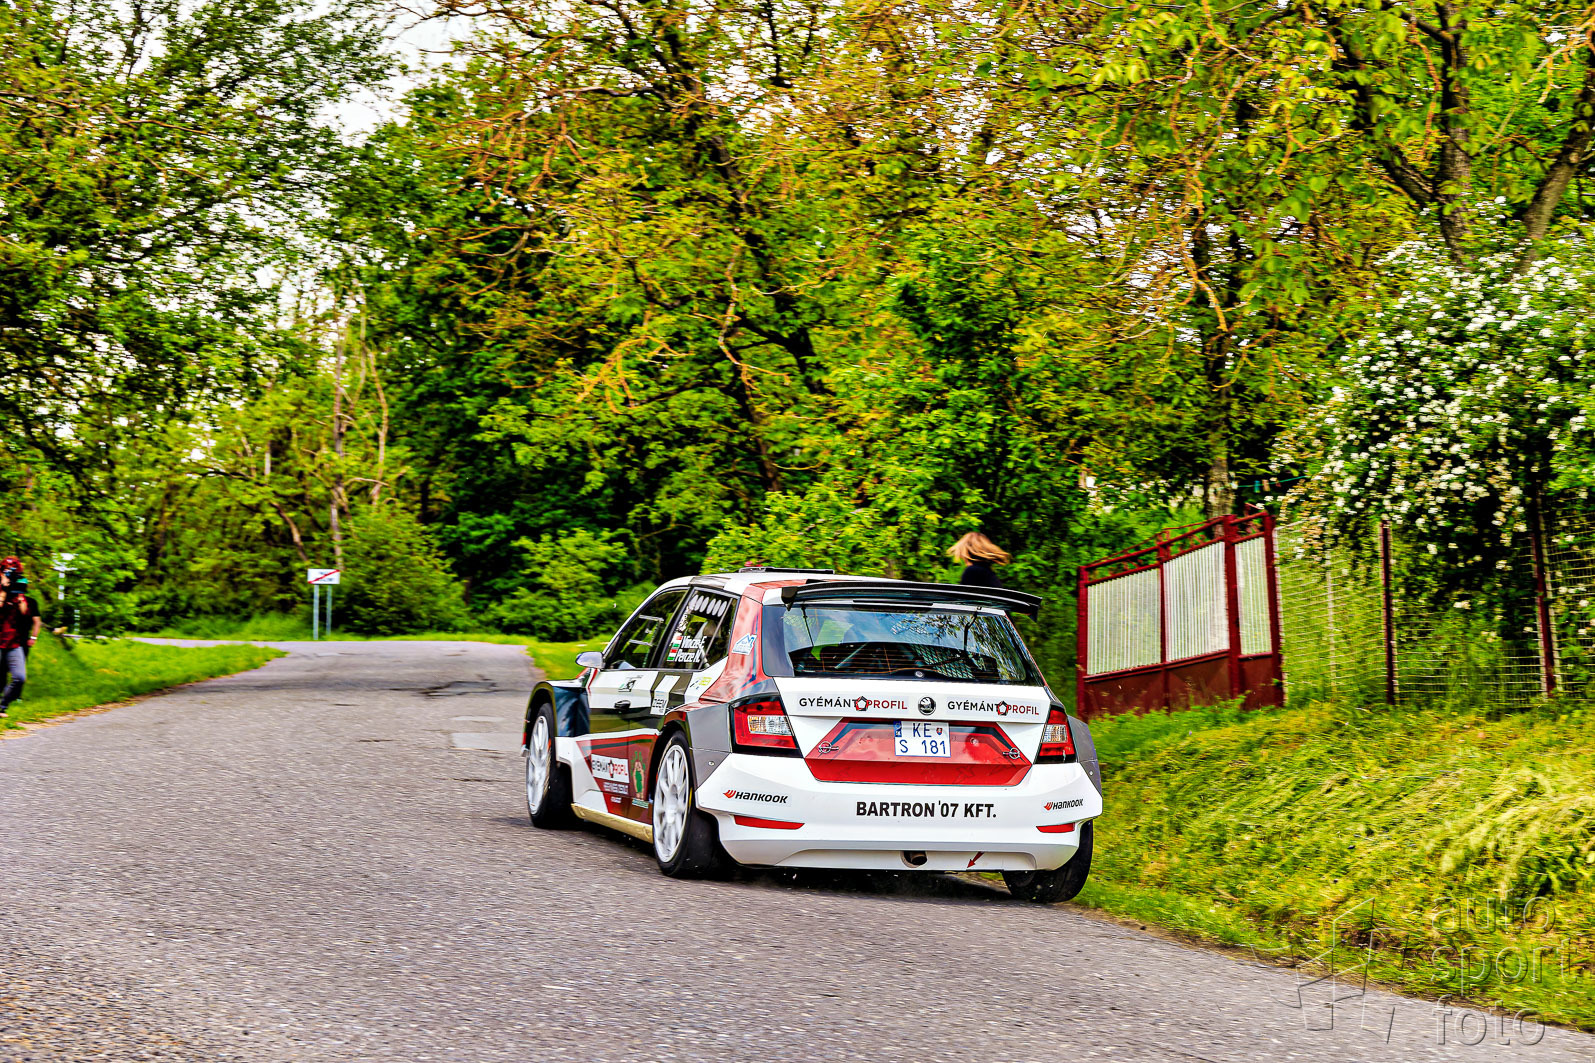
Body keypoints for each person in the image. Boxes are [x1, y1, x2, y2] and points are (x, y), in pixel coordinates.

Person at [0, 557, 41, 718]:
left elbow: (24, 613)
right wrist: (3, 591)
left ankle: (2, 706)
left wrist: (19, 598)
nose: (9, 571)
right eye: (6, 568)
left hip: (13, 641)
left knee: (19, 677)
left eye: (13, 568)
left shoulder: (19, 586)